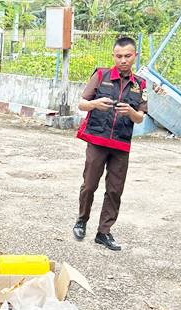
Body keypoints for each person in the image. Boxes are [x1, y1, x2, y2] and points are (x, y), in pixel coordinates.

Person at [73, 36, 148, 251]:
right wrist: (95, 103)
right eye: (119, 56)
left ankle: (103, 232)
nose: (123, 60)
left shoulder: (140, 84)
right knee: (89, 185)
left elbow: (140, 118)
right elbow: (82, 103)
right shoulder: (101, 75)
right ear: (113, 56)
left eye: (127, 56)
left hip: (121, 144)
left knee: (115, 190)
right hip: (97, 139)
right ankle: (81, 220)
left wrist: (131, 111)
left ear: (135, 56)